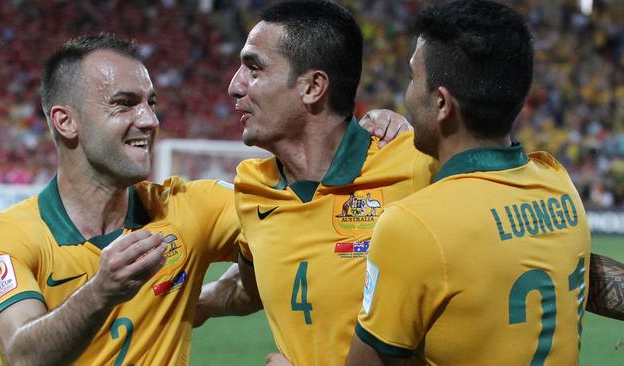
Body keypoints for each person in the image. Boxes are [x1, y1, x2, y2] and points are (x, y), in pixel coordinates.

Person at [346, 1, 592, 365]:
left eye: (413, 78)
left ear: (443, 104)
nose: (407, 96)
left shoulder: (413, 226)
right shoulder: (559, 182)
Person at [0, 34, 241, 365]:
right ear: (66, 121)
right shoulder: (10, 234)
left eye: (151, 103)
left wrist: (208, 299)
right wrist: (101, 292)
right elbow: (23, 356)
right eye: (125, 103)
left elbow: (294, 226)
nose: (149, 120)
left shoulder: (191, 207)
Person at [198, 1, 437, 365]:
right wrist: (181, 304)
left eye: (254, 69)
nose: (234, 87)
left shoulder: (416, 167)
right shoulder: (251, 189)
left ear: (313, 87)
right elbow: (251, 286)